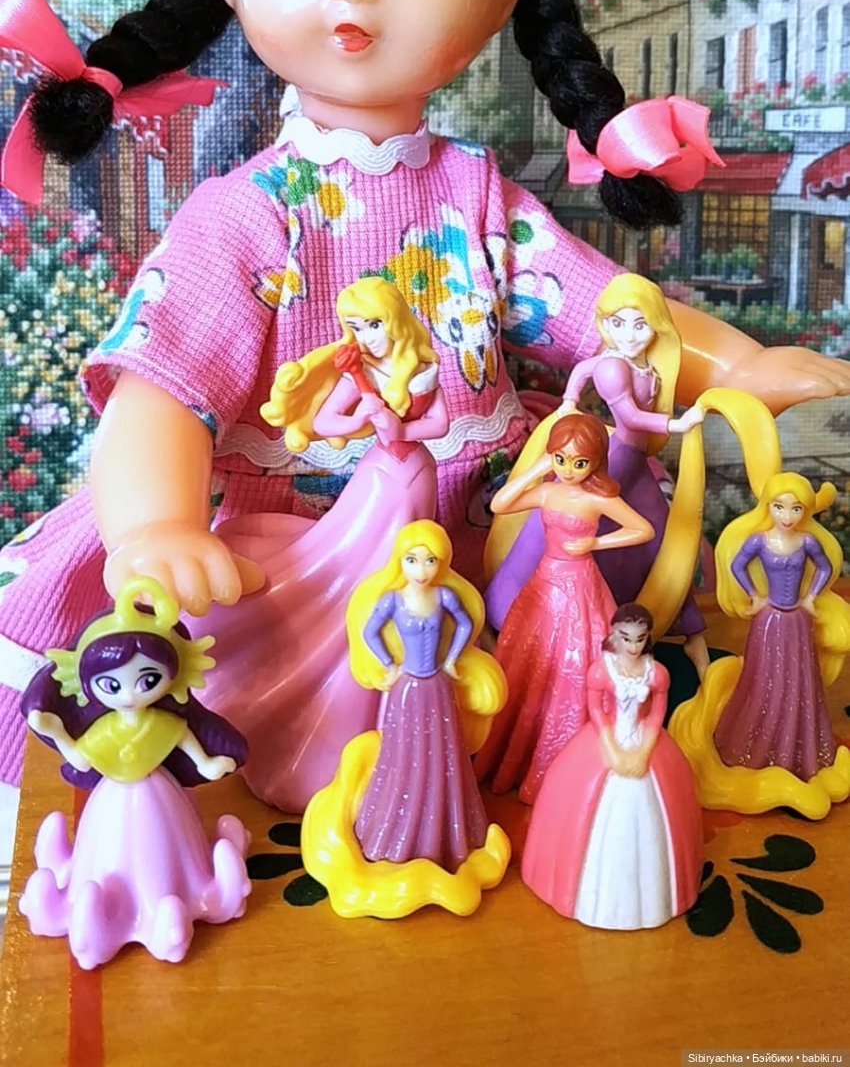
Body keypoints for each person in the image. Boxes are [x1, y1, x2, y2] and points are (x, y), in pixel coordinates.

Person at [0, 0, 846, 799]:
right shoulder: (246, 215)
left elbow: (612, 314)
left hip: (475, 557)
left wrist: (732, 364)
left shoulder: (477, 196)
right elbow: (164, 390)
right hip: (299, 567)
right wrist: (155, 523)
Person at [196, 275, 450, 812]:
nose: (366, 335)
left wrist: (402, 429)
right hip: (379, 477)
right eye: (355, 326)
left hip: (416, 475)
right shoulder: (359, 370)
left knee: (411, 570)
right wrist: (365, 417)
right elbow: (328, 418)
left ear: (395, 321)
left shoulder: (422, 368)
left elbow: (440, 421)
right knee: (359, 566)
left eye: (373, 324)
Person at [19, 577, 250, 969]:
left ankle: (179, 891)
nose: (128, 695)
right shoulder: (104, 730)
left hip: (162, 798)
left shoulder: (164, 723)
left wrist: (208, 763)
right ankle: (109, 909)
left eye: (147, 680)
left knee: (169, 844)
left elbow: (187, 742)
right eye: (111, 684)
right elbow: (81, 761)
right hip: (111, 803)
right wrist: (55, 731)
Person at [485, 274, 710, 676]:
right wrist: (677, 424)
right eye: (617, 323)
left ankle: (687, 630)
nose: (628, 334)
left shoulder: (630, 362)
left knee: (661, 538)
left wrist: (569, 399)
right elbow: (630, 417)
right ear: (605, 323)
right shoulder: (613, 370)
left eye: (639, 324)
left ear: (656, 325)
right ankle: (514, 614)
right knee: (572, 527)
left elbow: (583, 369)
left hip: (633, 460)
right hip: (614, 459)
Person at [301, 520, 509, 918]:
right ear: (400, 561)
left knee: (444, 758)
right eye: (413, 559)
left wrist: (452, 658)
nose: (421, 568)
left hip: (438, 688)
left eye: (430, 560)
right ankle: (394, 834)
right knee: (401, 758)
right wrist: (387, 665)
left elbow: (465, 624)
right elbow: (370, 632)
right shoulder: (393, 600)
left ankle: (447, 835)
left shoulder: (444, 595)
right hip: (407, 689)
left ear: (441, 562)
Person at [474, 411, 653, 803]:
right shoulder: (548, 492)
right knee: (528, 659)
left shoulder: (598, 497)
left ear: (595, 461)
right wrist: (539, 467)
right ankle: (518, 752)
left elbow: (643, 529)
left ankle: (564, 763)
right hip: (544, 584)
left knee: (575, 662)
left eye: (579, 462)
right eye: (561, 459)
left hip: (580, 586)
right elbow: (500, 504)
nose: (569, 469)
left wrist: (596, 543)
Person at [669, 472, 850, 819]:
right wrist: (754, 596)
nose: (787, 515)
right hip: (768, 621)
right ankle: (757, 746)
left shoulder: (807, 542)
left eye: (796, 508)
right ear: (768, 506)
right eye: (780, 507)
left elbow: (825, 568)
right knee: (762, 680)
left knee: (799, 683)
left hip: (797, 621)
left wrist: (811, 597)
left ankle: (798, 749)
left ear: (805, 511)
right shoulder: (759, 540)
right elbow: (737, 566)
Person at [521, 602, 702, 930]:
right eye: (626, 637)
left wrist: (643, 752)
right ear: (614, 635)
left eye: (640, 639)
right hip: (607, 739)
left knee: (659, 808)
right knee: (580, 806)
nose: (633, 646)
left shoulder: (657, 673)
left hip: (644, 740)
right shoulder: (601, 672)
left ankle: (656, 894)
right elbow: (597, 712)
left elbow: (657, 714)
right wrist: (614, 752)